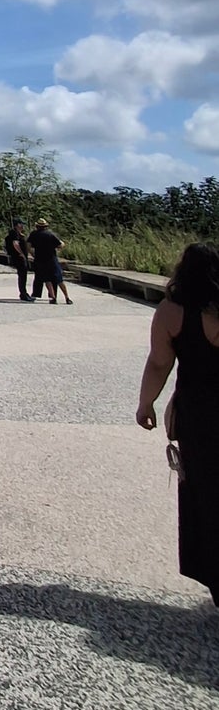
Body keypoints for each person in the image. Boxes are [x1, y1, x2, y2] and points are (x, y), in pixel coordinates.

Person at [135, 242, 219, 607]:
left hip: (200, 413)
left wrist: (146, 403)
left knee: (206, 492)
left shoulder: (172, 312)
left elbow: (158, 363)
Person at [28, 219, 68, 305]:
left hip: (39, 259)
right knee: (57, 279)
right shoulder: (50, 234)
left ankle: (42, 295)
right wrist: (61, 246)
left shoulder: (33, 234)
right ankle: (65, 297)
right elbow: (60, 244)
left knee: (44, 279)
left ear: (37, 226)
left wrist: (32, 254)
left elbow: (28, 246)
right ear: (46, 227)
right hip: (51, 259)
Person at [3, 221, 34, 301]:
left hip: (20, 257)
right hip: (19, 258)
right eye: (21, 224)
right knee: (22, 275)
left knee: (23, 275)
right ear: (17, 225)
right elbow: (15, 244)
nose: (23, 226)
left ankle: (23, 293)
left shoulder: (17, 233)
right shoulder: (14, 234)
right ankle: (23, 294)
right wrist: (21, 254)